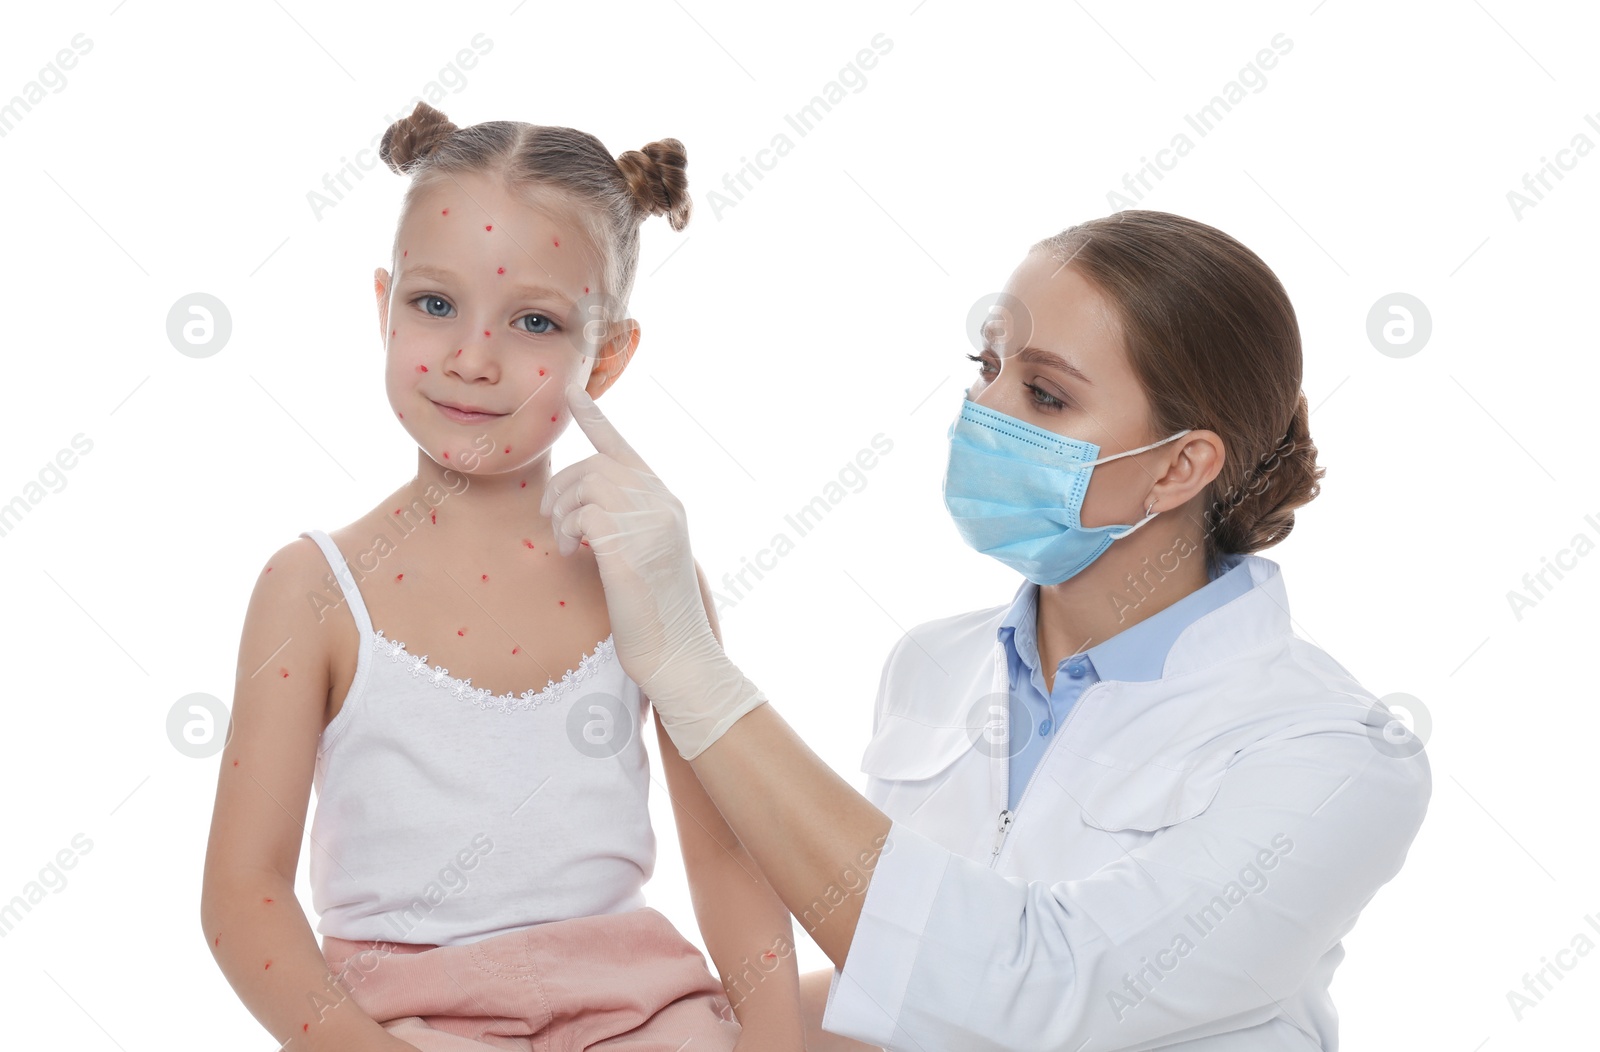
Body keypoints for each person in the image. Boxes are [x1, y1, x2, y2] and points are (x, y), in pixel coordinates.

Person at [539, 209, 1433, 1050]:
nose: (985, 411)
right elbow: (896, 998)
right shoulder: (933, 663)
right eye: (987, 366)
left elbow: (1035, 989)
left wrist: (695, 672)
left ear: (1179, 467)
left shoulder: (1334, 756)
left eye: (1045, 394)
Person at [199, 102, 807, 1052]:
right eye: (433, 304)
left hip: (641, 1010)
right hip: (405, 1020)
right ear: (382, 306)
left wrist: (775, 1046)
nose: (473, 360)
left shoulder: (646, 573)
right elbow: (243, 895)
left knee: (881, 1015)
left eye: (534, 321)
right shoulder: (311, 590)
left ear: (603, 357)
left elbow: (727, 854)